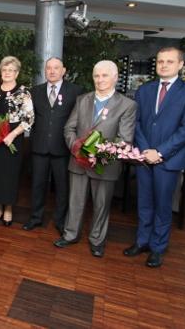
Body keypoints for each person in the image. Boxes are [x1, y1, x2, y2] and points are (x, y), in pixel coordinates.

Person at [124, 47, 185, 268]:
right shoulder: (145, 90)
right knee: (144, 203)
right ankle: (142, 241)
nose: (164, 65)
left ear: (180, 65)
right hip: (144, 157)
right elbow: (137, 123)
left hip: (169, 159)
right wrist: (145, 150)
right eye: (160, 61)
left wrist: (159, 152)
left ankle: (158, 247)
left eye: (169, 61)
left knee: (162, 205)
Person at [54, 60, 136, 258]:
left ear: (115, 77)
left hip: (105, 165)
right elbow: (69, 128)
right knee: (75, 202)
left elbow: (124, 139)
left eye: (104, 75)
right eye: (96, 76)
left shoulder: (127, 105)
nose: (100, 80)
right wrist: (76, 148)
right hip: (78, 161)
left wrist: (99, 155)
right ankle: (70, 234)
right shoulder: (82, 100)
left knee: (101, 204)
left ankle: (97, 241)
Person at [24, 57, 83, 233]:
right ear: (45, 70)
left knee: (62, 187)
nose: (52, 71)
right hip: (39, 147)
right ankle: (35, 218)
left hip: (63, 148)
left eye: (56, 68)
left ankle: (60, 220)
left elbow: (79, 120)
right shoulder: (35, 91)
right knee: (37, 185)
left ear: (63, 70)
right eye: (48, 68)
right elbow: (29, 118)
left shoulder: (76, 91)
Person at [0, 56, 34, 226]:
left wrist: (12, 135)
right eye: (4, 70)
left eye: (11, 70)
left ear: (17, 73)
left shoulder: (23, 92)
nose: (7, 73)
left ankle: (8, 209)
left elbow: (29, 119)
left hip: (13, 138)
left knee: (10, 175)